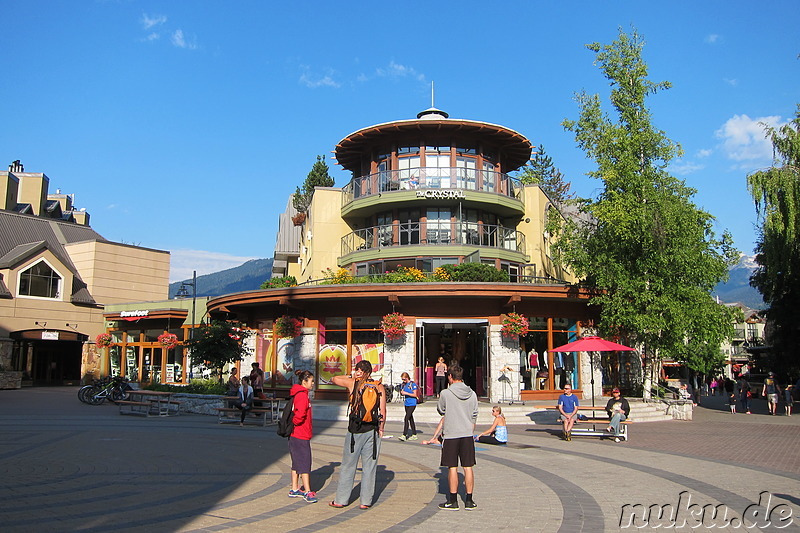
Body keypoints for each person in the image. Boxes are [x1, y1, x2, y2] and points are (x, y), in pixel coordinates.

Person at [329, 359, 387, 510]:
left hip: (355, 430)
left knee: (348, 465)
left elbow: (334, 379)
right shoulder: (378, 386)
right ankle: (366, 501)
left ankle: (341, 500)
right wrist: (381, 429)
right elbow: (383, 411)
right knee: (370, 466)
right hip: (372, 431)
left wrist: (352, 376)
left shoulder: (353, 383)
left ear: (359, 371)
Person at [437, 364, 479, 511]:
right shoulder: (472, 393)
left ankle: (453, 501)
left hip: (451, 434)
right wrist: (471, 426)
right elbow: (475, 413)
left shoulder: (445, 394)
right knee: (468, 467)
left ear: (450, 376)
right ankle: (469, 500)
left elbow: (441, 409)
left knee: (452, 467)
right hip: (467, 433)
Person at [288, 370, 317, 503]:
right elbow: (299, 415)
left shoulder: (299, 393)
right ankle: (307, 490)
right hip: (301, 434)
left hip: (297, 434)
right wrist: (296, 423)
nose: (313, 384)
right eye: (311, 381)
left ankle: (294, 488)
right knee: (305, 462)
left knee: (296, 461)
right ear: (304, 381)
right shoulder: (302, 396)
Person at [398, 372, 419, 441]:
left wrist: (406, 393)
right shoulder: (404, 385)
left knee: (406, 418)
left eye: (404, 379)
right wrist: (402, 392)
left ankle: (404, 434)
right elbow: (402, 392)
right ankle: (414, 434)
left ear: (407, 378)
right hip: (407, 403)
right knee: (410, 418)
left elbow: (415, 394)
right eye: (402, 380)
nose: (403, 381)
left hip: (412, 403)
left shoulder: (412, 384)